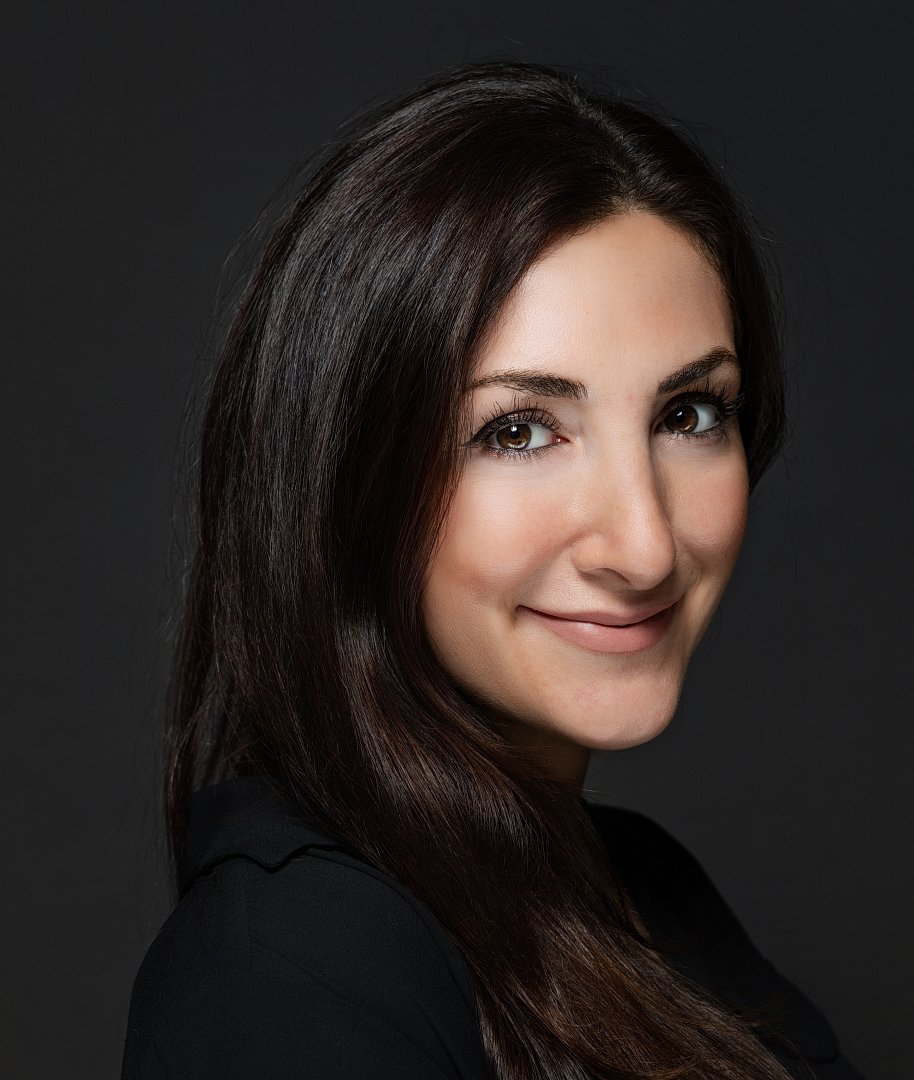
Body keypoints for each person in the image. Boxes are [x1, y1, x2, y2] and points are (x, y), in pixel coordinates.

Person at [121, 60, 865, 1080]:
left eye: (689, 414)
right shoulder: (290, 969)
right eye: (518, 431)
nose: (644, 544)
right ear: (348, 481)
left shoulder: (648, 897)